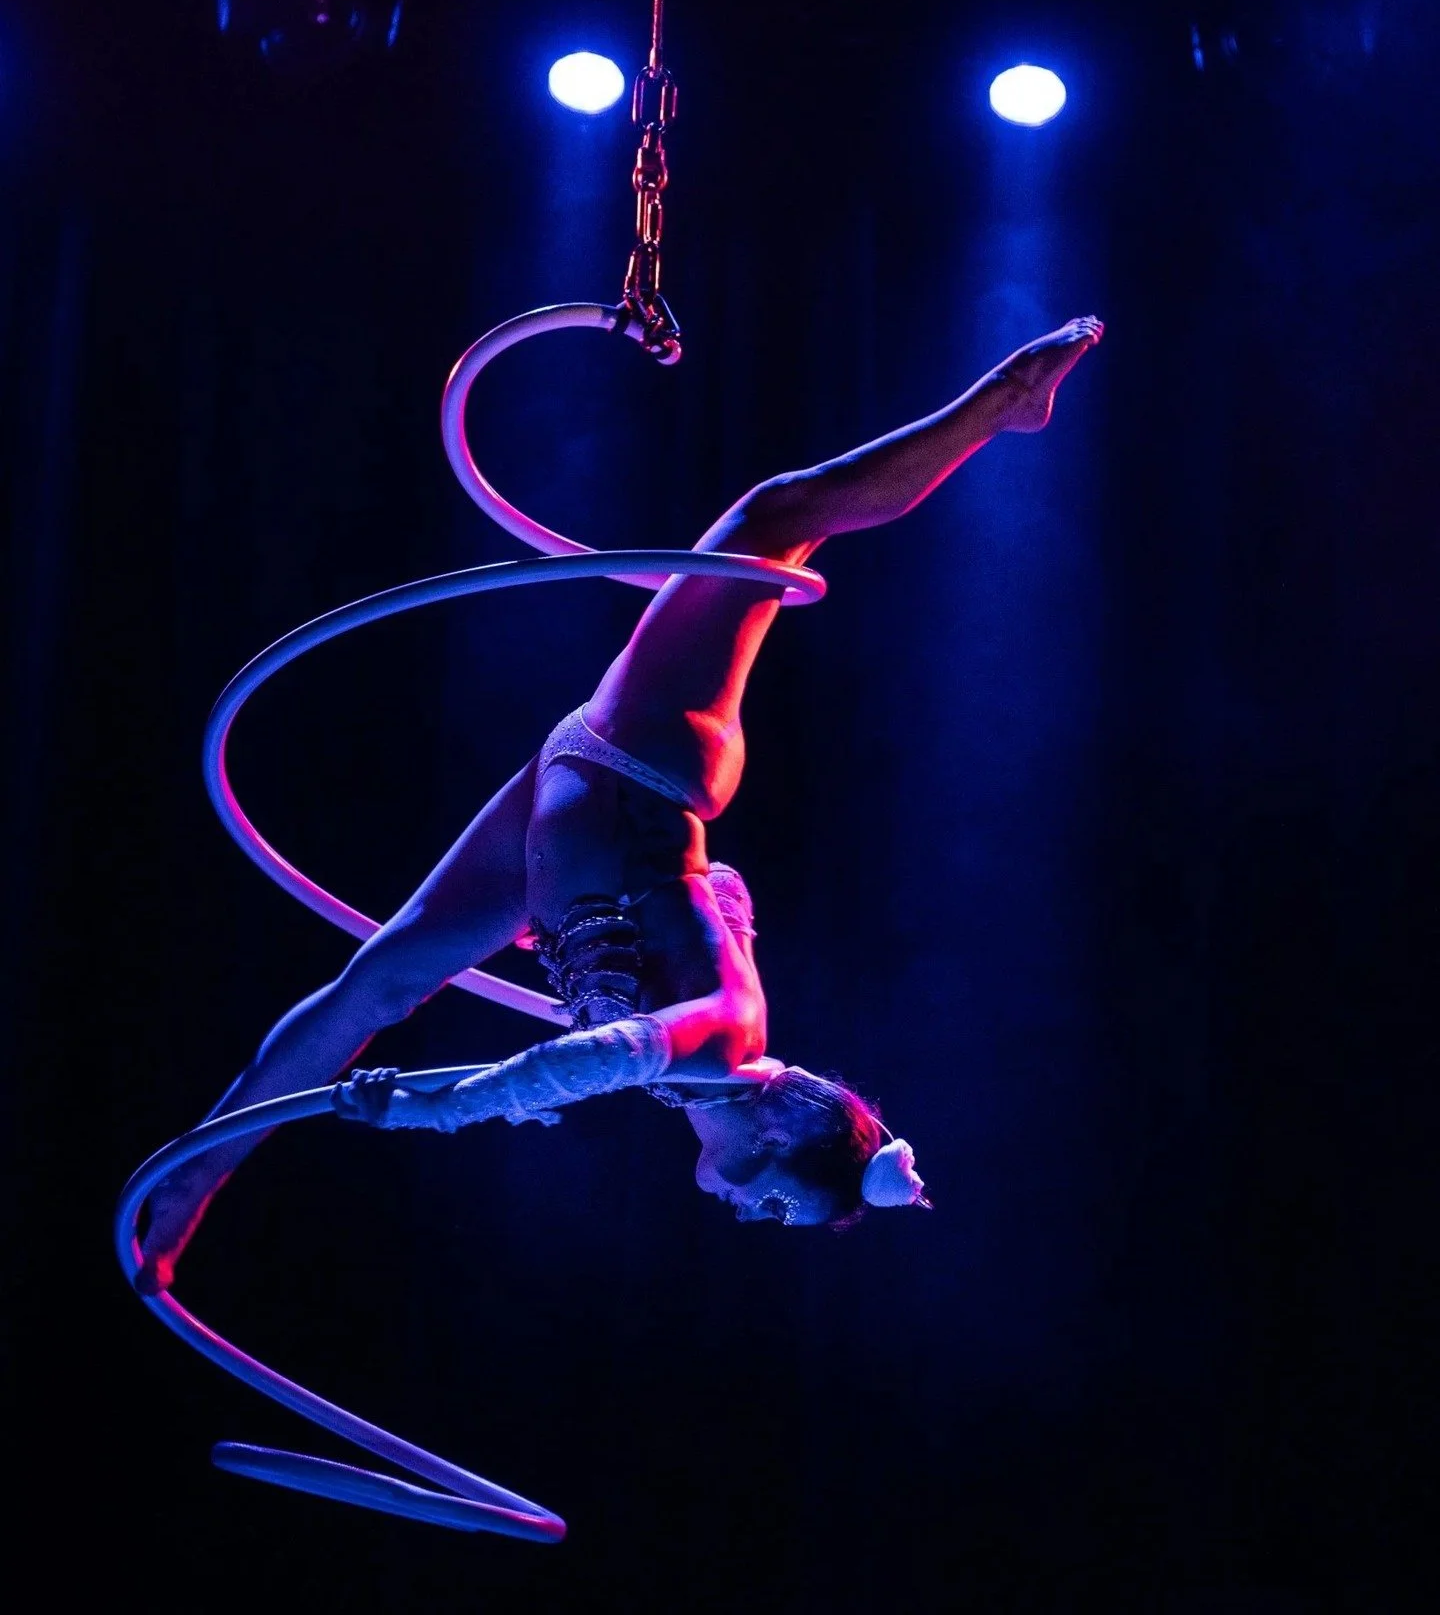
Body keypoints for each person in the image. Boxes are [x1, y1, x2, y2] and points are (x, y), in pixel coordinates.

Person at [139, 315, 1102, 1287]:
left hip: (565, 829)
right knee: (773, 520)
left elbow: (723, 893)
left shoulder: (702, 1075)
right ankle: (1002, 404)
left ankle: (195, 1179)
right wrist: (437, 1107)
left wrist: (596, 935)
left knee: (375, 987)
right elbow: (578, 1065)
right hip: (640, 762)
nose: (753, 1216)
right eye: (778, 1204)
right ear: (776, 1138)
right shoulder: (726, 1048)